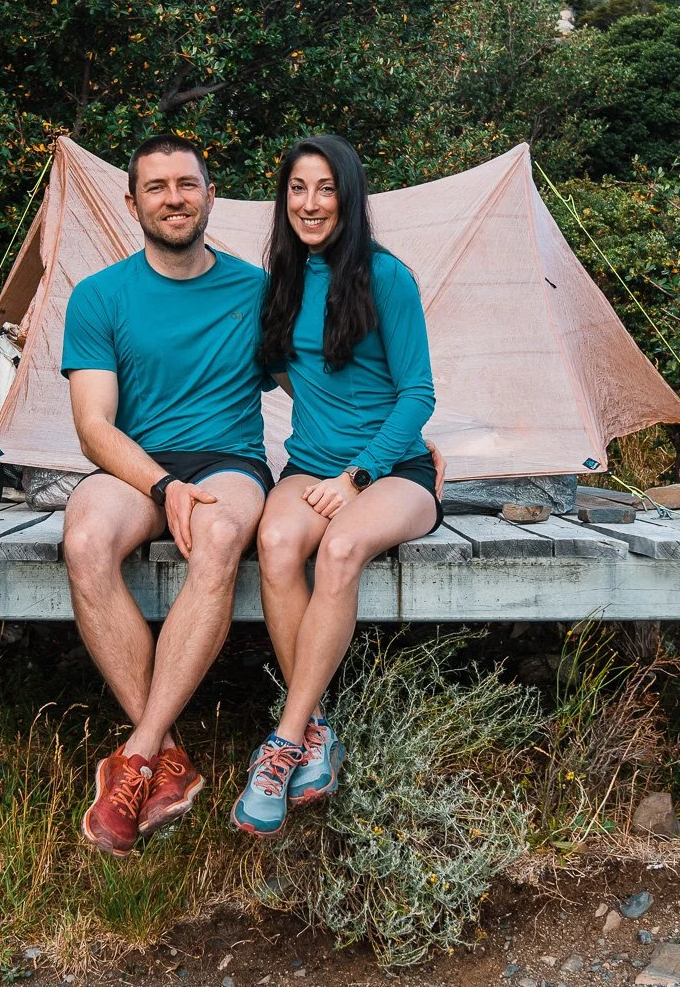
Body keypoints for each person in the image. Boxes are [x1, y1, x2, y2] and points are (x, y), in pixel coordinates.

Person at [61, 134, 275, 856]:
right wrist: (162, 485)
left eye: (187, 184)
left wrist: (393, 445)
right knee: (85, 540)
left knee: (218, 538)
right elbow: (93, 427)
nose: (174, 198)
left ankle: (141, 754)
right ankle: (170, 760)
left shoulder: (258, 291)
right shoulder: (99, 296)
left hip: (230, 462)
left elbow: (326, 384)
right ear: (132, 203)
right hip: (138, 466)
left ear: (211, 195)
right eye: (156, 187)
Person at [234, 134, 440, 838]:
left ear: (348, 197)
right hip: (310, 467)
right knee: (278, 538)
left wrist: (360, 473)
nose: (311, 203)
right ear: (283, 199)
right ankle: (320, 731)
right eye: (298, 188)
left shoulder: (388, 277)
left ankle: (284, 740)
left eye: (325, 188)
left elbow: (418, 393)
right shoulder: (283, 282)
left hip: (390, 474)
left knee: (342, 548)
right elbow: (287, 372)